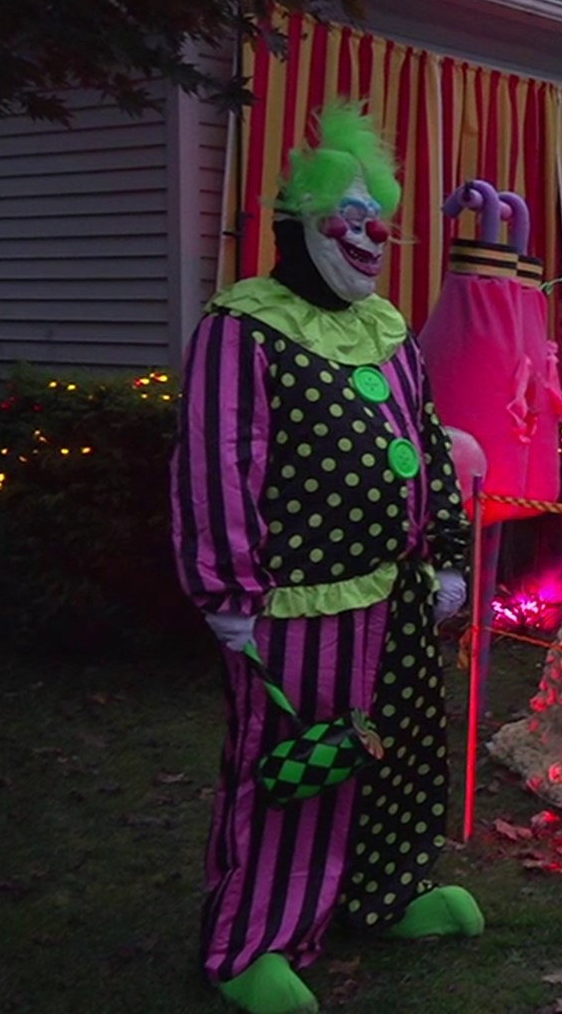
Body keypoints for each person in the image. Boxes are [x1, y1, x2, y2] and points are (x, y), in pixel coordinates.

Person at [171, 102, 481, 1014]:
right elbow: (218, 457)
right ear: (302, 226)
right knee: (294, 765)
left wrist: (449, 551)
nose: (373, 233)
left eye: (379, 214)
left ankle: (385, 893)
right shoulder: (243, 327)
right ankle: (254, 938)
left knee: (402, 754)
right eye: (351, 215)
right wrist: (227, 586)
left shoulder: (386, 328)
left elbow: (426, 442)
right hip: (296, 606)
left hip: (399, 594)